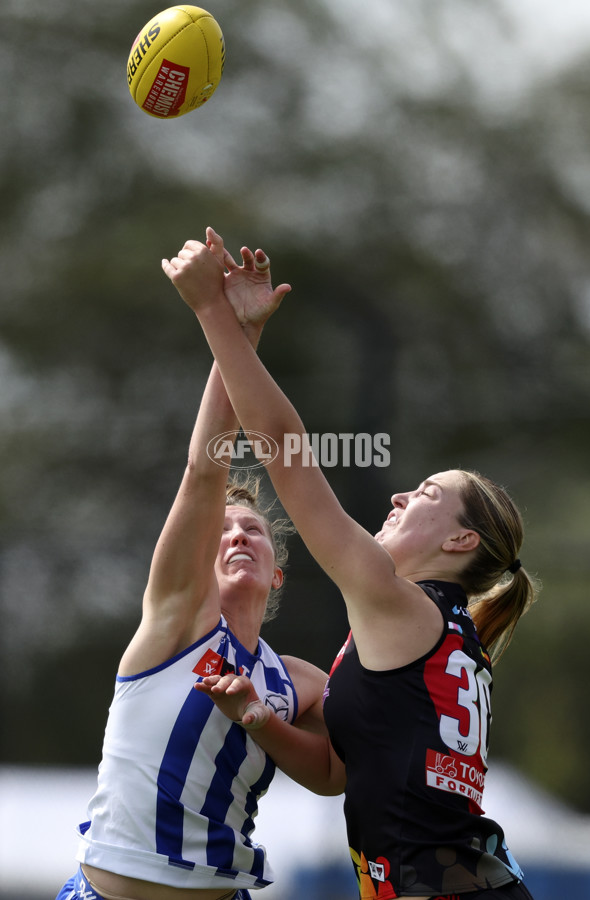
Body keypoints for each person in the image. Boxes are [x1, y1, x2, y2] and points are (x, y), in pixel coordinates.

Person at [162, 229, 539, 900]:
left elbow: (282, 448)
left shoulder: (395, 601)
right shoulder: (438, 632)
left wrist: (214, 314)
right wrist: (261, 719)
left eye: (425, 494)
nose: (399, 494)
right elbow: (341, 771)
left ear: (459, 545)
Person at [55, 234, 332, 900]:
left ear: (278, 574)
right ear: (195, 564)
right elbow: (206, 467)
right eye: (224, 531)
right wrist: (235, 330)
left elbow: (337, 776)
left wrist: (259, 718)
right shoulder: (176, 621)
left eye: (256, 533)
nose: (237, 535)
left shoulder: (297, 682)